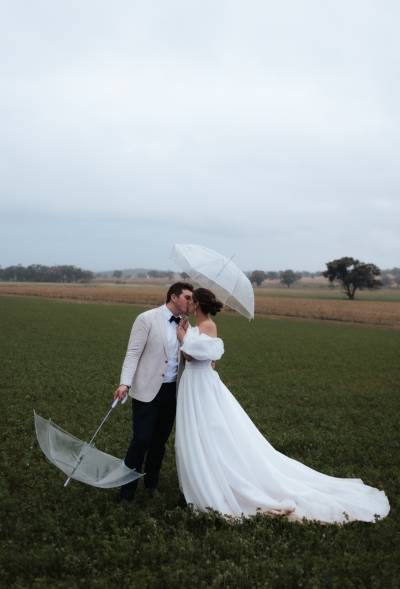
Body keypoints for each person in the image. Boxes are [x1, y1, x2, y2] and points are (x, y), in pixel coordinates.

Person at [175, 287, 390, 524]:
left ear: (198, 304)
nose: (188, 303)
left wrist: (182, 337)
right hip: (193, 382)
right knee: (196, 430)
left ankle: (217, 479)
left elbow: (193, 355)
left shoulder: (207, 326)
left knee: (211, 429)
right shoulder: (194, 328)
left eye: (191, 300)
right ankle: (203, 474)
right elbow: (199, 354)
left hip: (202, 384)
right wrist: (187, 333)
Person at [114, 282, 193, 506]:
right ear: (174, 297)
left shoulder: (186, 325)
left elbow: (189, 356)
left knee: (159, 443)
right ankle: (126, 493)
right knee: (140, 441)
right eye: (187, 297)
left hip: (172, 392)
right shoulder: (146, 318)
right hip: (147, 391)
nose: (191, 302)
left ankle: (151, 485)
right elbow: (133, 354)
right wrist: (125, 383)